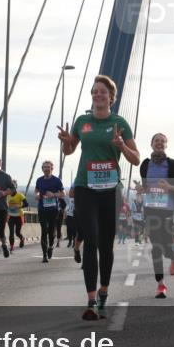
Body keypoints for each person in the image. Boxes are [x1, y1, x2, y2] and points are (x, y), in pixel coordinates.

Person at [57, 74, 140, 320]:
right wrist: (65, 142)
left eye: (102, 91)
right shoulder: (82, 121)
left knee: (105, 244)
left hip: (111, 190)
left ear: (111, 97)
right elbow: (70, 150)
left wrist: (121, 145)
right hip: (86, 188)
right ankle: (91, 300)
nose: (98, 95)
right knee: (91, 240)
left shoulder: (120, 123)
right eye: (94, 91)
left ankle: (104, 291)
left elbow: (136, 158)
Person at [139, 133, 174, 299]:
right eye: (156, 140)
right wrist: (142, 189)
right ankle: (161, 284)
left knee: (166, 246)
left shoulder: (173, 165)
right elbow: (146, 186)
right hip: (150, 210)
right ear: (151, 144)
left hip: (168, 211)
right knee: (156, 247)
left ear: (166, 145)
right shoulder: (145, 164)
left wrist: (170, 187)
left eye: (162, 141)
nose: (159, 143)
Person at [34, 161, 64, 263]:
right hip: (42, 209)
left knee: (51, 232)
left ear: (52, 168)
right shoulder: (39, 180)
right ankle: (44, 255)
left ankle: (50, 246)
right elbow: (36, 190)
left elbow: (63, 193)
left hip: (53, 210)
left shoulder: (57, 180)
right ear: (42, 169)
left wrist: (54, 195)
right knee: (44, 230)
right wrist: (37, 195)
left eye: (48, 167)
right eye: (45, 167)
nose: (46, 169)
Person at [5, 183, 28, 250]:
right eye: (9, 188)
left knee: (17, 233)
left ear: (15, 188)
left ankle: (22, 238)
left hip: (19, 216)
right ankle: (12, 246)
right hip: (11, 216)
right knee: (11, 232)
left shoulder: (20, 195)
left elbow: (26, 204)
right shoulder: (7, 195)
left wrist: (19, 206)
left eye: (12, 188)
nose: (10, 190)